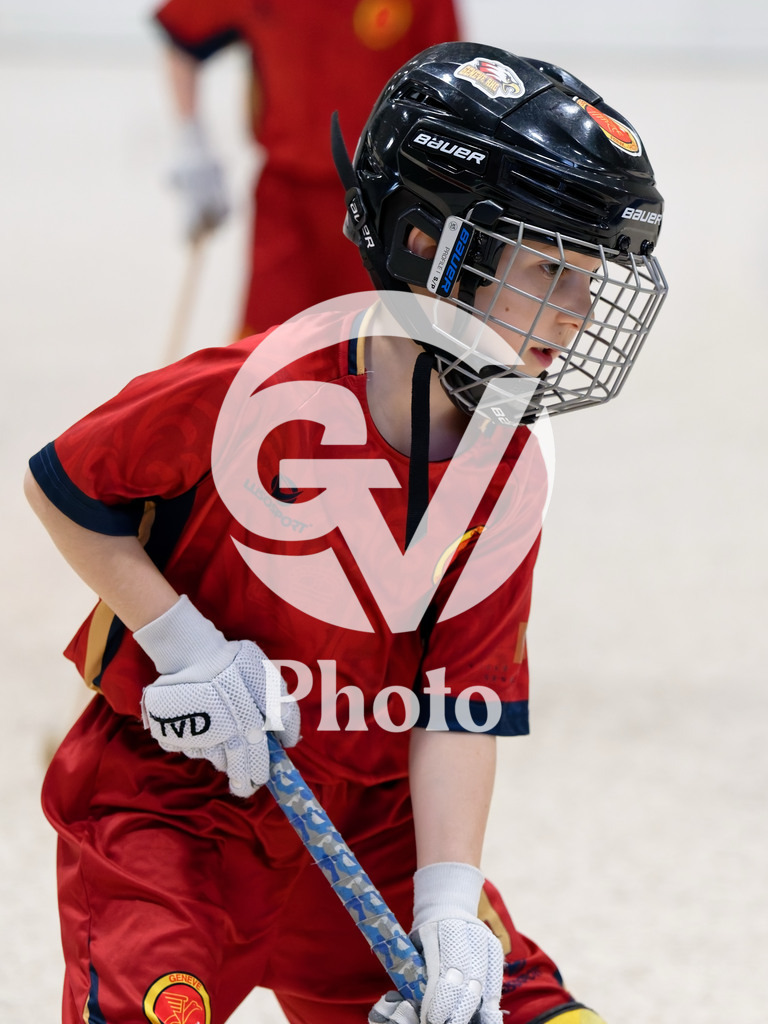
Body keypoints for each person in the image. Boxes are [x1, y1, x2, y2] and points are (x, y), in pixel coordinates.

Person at [25, 43, 668, 1024]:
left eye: (591, 278)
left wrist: (450, 905)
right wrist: (178, 639)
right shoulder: (252, 388)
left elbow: (461, 703)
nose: (577, 315)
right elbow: (65, 485)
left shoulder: (506, 462)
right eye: (551, 269)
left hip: (369, 822)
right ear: (429, 242)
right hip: (172, 805)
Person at [154, 0, 460, 336]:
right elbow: (182, 38)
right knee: (266, 353)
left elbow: (448, 87)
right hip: (284, 201)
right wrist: (191, 142)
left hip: (382, 203)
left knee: (372, 349)